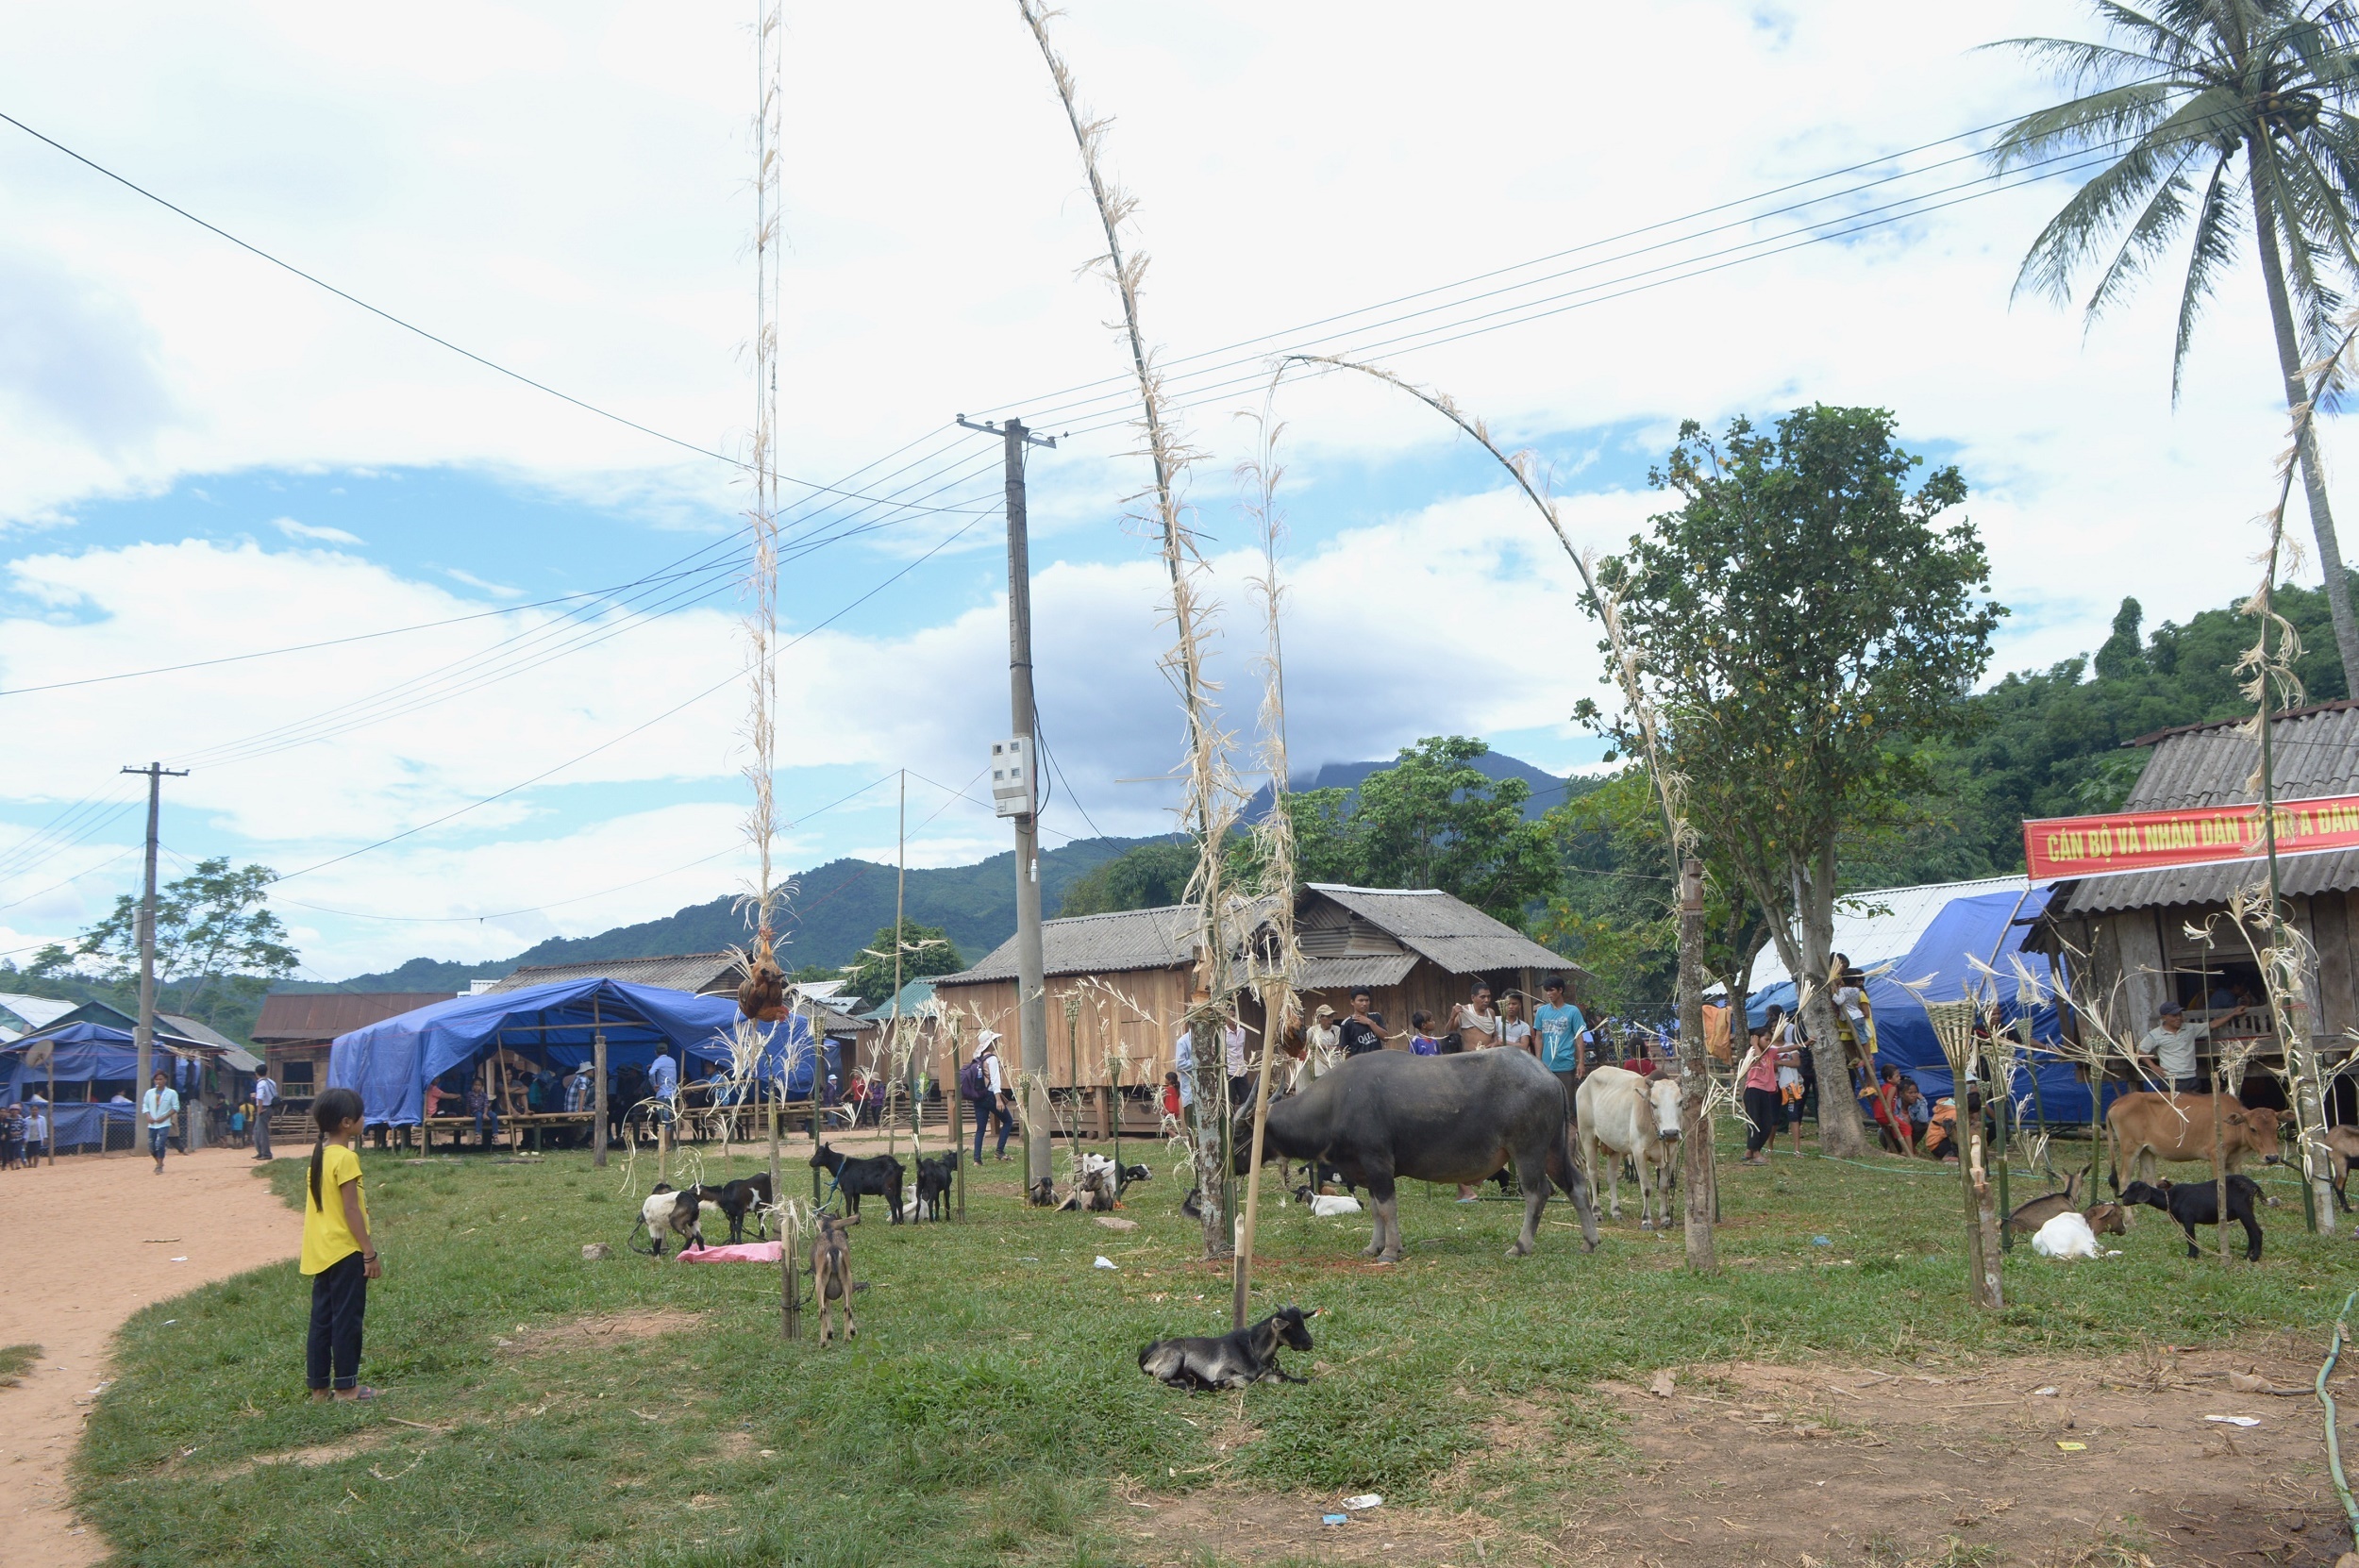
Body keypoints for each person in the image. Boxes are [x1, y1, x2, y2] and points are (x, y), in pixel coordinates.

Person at [300, 1086, 381, 1401]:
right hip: (346, 1251)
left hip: (321, 1251)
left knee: (321, 1321)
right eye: (361, 1114)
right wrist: (368, 1252)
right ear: (347, 1122)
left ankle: (320, 1389)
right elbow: (350, 1210)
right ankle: (347, 1387)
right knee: (347, 1320)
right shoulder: (346, 1158)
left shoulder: (318, 1158)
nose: (364, 1118)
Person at [2134, 1002, 2209, 1093]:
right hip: (2171, 1080)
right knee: (2173, 1106)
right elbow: (2140, 1051)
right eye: (2174, 1015)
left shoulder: (2190, 1028)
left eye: (2180, 1015)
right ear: (2164, 1017)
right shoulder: (2156, 1034)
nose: (2178, 1018)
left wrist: (2231, 1014)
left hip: (2191, 1078)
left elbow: (2213, 1025)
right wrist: (2154, 1067)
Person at [1739, 1012, 1782, 1166]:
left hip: (1764, 1091)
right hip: (1753, 1090)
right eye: (1767, 1039)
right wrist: (1755, 1045)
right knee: (1754, 1121)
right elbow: (1759, 1059)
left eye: (1771, 1040)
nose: (1769, 1042)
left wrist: (1804, 1043)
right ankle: (1755, 1152)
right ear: (1757, 1039)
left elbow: (1788, 1048)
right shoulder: (1751, 1052)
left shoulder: (1770, 1052)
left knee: (1768, 1122)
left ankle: (1750, 1151)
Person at [1534, 977, 1585, 1105]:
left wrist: (1581, 1063)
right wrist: (1538, 1061)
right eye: (1547, 991)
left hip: (1565, 1064)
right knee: (1547, 1102)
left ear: (1560, 990)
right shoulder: (1541, 1011)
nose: (1548, 994)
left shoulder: (1573, 1011)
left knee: (1567, 1102)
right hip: (1546, 1066)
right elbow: (1538, 1037)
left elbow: (1579, 1037)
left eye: (1551, 990)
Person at [970, 1033, 1012, 1161]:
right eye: (995, 1040)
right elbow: (994, 1081)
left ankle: (977, 1159)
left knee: (981, 1129)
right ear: (990, 1043)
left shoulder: (978, 1058)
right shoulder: (992, 1059)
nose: (997, 1042)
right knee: (1008, 1121)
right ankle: (999, 1151)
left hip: (978, 1096)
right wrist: (998, 1100)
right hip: (990, 1095)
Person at [142, 1069, 180, 1176]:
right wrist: (148, 1116)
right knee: (151, 1146)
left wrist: (164, 1117)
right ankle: (159, 1162)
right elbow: (145, 1106)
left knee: (160, 1144)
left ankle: (159, 1165)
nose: (158, 1081)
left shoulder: (171, 1093)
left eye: (161, 1079)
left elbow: (175, 1107)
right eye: (156, 1079)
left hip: (164, 1123)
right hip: (152, 1123)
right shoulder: (149, 1093)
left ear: (165, 1080)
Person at [1447, 982, 1499, 1056]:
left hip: (1488, 1055)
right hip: (1469, 1056)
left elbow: (1494, 1035)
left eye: (1489, 997)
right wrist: (1452, 1017)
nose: (1487, 1000)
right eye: (1483, 997)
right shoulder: (1464, 1011)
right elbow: (1448, 1033)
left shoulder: (1491, 1013)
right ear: (1473, 998)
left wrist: (1495, 1043)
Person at [1337, 990, 1387, 1058]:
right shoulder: (1347, 1023)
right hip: (1360, 1065)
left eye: (1367, 1000)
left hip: (1377, 1062)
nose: (1364, 1003)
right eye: (1361, 1000)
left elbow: (1386, 1038)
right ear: (1352, 1002)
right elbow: (1343, 1050)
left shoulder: (1376, 1017)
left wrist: (1369, 1022)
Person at [1224, 1015, 1251, 1110]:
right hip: (1230, 1071)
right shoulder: (1223, 1032)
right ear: (1226, 1017)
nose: (1233, 1018)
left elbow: (1242, 1048)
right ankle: (1231, 1123)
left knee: (1246, 1099)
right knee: (1230, 1100)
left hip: (1241, 1070)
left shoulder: (1242, 1031)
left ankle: (1247, 1122)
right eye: (1231, 1016)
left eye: (1235, 1015)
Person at [251, 1068, 278, 1160]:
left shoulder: (261, 1083)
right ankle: (260, 1152)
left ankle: (266, 1153)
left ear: (256, 1074)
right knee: (257, 1130)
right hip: (271, 1107)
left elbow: (260, 1097)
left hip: (264, 1108)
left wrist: (259, 1110)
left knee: (262, 1132)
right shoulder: (271, 1082)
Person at [1498, 994, 1534, 1058]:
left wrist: (1502, 1041)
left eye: (1514, 1004)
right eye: (1508, 1004)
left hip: (1516, 1060)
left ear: (1520, 1005)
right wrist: (1516, 1045)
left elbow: (1524, 1046)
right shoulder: (1495, 1021)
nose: (1511, 1006)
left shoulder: (1524, 1026)